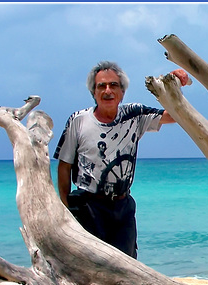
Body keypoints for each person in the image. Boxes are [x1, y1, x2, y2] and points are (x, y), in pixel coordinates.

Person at [53, 61, 189, 258]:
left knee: (128, 269)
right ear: (94, 92)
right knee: (89, 268)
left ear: (122, 92)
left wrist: (173, 84)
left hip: (122, 207)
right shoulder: (78, 120)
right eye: (102, 86)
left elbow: (175, 116)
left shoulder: (134, 115)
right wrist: (64, 211)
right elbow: (64, 166)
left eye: (113, 85)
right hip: (87, 207)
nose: (108, 90)